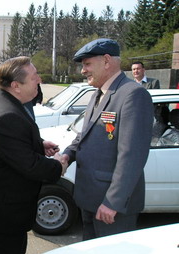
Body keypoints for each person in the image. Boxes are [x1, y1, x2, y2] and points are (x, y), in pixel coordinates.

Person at [0, 56, 67, 254]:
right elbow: (30, 165)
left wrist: (39, 144)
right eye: (34, 77)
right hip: (4, 212)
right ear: (16, 86)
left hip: (2, 208)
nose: (39, 80)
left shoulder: (1, 98)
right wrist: (58, 165)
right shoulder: (6, 115)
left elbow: (11, 143)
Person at [61, 39, 153, 241]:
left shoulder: (133, 95)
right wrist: (67, 155)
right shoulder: (98, 94)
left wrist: (113, 201)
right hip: (89, 198)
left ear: (106, 61)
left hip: (110, 206)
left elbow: (132, 155)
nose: (83, 70)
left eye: (87, 64)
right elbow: (84, 135)